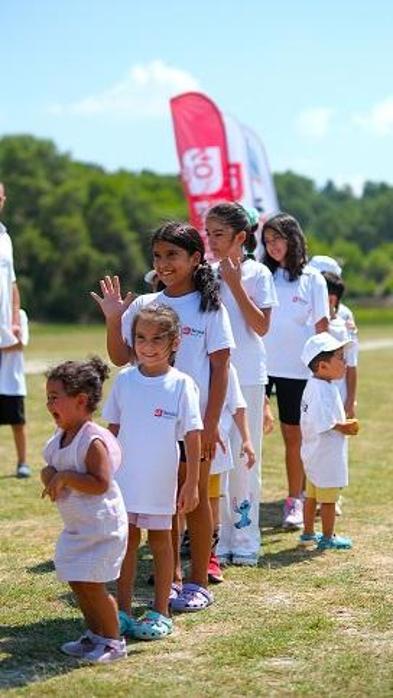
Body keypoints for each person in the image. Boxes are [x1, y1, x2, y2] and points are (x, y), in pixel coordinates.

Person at [91, 221, 234, 612]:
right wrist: (112, 318)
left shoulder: (209, 306)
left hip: (192, 422)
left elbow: (220, 368)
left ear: (195, 258)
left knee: (197, 498)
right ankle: (170, 579)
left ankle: (198, 581)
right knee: (164, 501)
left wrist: (209, 424)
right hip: (150, 425)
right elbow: (122, 358)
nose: (164, 263)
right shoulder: (144, 306)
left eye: (173, 254)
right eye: (158, 255)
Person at [102, 305, 202, 638]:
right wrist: (101, 472)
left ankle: (161, 611)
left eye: (157, 338)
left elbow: (192, 435)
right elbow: (111, 431)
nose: (148, 346)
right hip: (125, 480)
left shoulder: (181, 384)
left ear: (175, 342)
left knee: (161, 543)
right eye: (141, 338)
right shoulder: (125, 380)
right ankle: (123, 611)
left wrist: (191, 483)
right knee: (126, 544)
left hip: (160, 481)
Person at [41, 357, 128, 663]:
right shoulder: (60, 437)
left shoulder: (92, 441)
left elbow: (101, 482)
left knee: (93, 584)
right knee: (78, 581)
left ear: (80, 401)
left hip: (102, 528)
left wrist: (66, 478)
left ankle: (114, 642)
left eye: (55, 398)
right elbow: (49, 467)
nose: (49, 404)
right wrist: (51, 477)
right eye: (47, 398)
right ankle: (95, 636)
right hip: (78, 528)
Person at [206, 202, 278, 566]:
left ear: (240, 237)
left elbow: (261, 327)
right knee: (216, 458)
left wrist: (235, 285)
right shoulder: (205, 273)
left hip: (248, 376)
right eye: (208, 234)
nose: (212, 241)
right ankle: (217, 540)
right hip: (212, 377)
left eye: (218, 234)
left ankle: (246, 539)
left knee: (246, 458)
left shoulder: (258, 274)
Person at [261, 213, 329, 530]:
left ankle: (295, 500)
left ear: (293, 239)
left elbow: (322, 328)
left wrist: (322, 370)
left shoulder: (313, 278)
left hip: (296, 372)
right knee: (246, 435)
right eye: (267, 240)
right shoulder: (262, 276)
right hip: (259, 369)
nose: (273, 246)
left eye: (278, 239)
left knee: (294, 437)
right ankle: (238, 502)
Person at [299, 333, 359, 549]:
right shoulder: (321, 389)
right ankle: (327, 537)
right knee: (329, 498)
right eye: (340, 358)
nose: (345, 363)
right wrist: (346, 427)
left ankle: (307, 532)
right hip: (325, 454)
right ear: (323, 366)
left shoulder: (317, 385)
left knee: (311, 495)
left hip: (314, 452)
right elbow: (324, 421)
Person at [208, 363, 256, 581]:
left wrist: (246, 439)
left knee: (211, 501)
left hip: (215, 449)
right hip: (182, 446)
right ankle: (172, 563)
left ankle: (210, 556)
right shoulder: (179, 363)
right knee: (178, 506)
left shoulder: (227, 368)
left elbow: (238, 406)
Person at [0, 182, 29, 477]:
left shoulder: (5, 237)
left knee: (14, 403)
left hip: (6, 329)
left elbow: (11, 283)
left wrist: (16, 321)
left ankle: (23, 462)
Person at [0, 309, 30, 477]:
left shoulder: (19, 315)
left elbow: (19, 344)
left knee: (18, 424)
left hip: (12, 382)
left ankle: (22, 463)